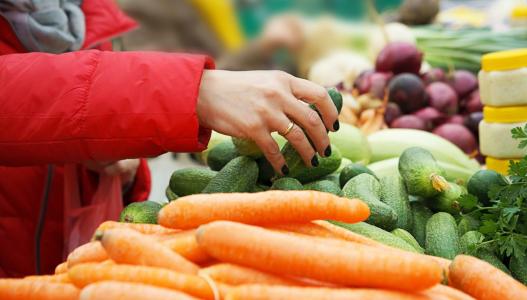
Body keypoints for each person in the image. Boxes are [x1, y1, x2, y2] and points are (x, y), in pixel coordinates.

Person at [0, 0, 337, 277]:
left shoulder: (81, 12)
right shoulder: (146, 8)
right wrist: (198, 91)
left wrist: (116, 157)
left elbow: (76, 107)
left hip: (66, 270)